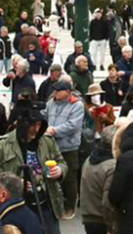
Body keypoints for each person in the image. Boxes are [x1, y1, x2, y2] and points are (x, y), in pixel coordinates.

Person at [0, 99, 67, 234]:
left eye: (39, 124)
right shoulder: (1, 145)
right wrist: (16, 183)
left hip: (46, 204)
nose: (36, 129)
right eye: (32, 125)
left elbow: (62, 162)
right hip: (18, 207)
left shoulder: (46, 141)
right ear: (22, 125)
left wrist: (60, 170)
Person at [45, 77, 85, 218]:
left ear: (67, 92)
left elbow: (73, 125)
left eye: (58, 90)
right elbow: (45, 117)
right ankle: (57, 205)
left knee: (69, 178)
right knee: (53, 176)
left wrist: (54, 130)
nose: (54, 92)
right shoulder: (51, 103)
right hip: (51, 146)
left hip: (69, 147)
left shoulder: (77, 105)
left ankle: (70, 207)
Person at [80, 125, 120, 234]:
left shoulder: (90, 159)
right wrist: (112, 226)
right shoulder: (112, 166)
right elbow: (108, 202)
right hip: (102, 220)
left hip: (89, 215)